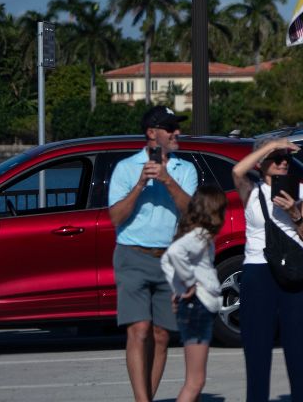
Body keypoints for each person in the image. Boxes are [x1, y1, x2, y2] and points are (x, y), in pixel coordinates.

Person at [108, 106, 198, 402]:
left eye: (177, 128)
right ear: (151, 133)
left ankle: (148, 395)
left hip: (169, 258)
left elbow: (191, 213)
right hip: (132, 255)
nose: (177, 133)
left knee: (161, 335)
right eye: (170, 128)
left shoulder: (185, 169)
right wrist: (140, 184)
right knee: (140, 329)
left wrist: (166, 180)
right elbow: (116, 217)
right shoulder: (125, 167)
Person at [232, 137, 303, 402]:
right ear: (262, 163)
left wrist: (294, 212)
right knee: (257, 348)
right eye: (277, 159)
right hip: (258, 271)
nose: (283, 163)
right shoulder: (251, 190)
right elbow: (236, 170)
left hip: (295, 272)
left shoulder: (299, 191)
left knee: (299, 347)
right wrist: (272, 145)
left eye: (286, 159)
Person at [160, 185, 228, 402]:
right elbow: (173, 253)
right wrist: (188, 284)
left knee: (194, 382)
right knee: (195, 382)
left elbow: (166, 260)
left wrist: (179, 288)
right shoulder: (200, 235)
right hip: (198, 307)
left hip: (193, 307)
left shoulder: (191, 233)